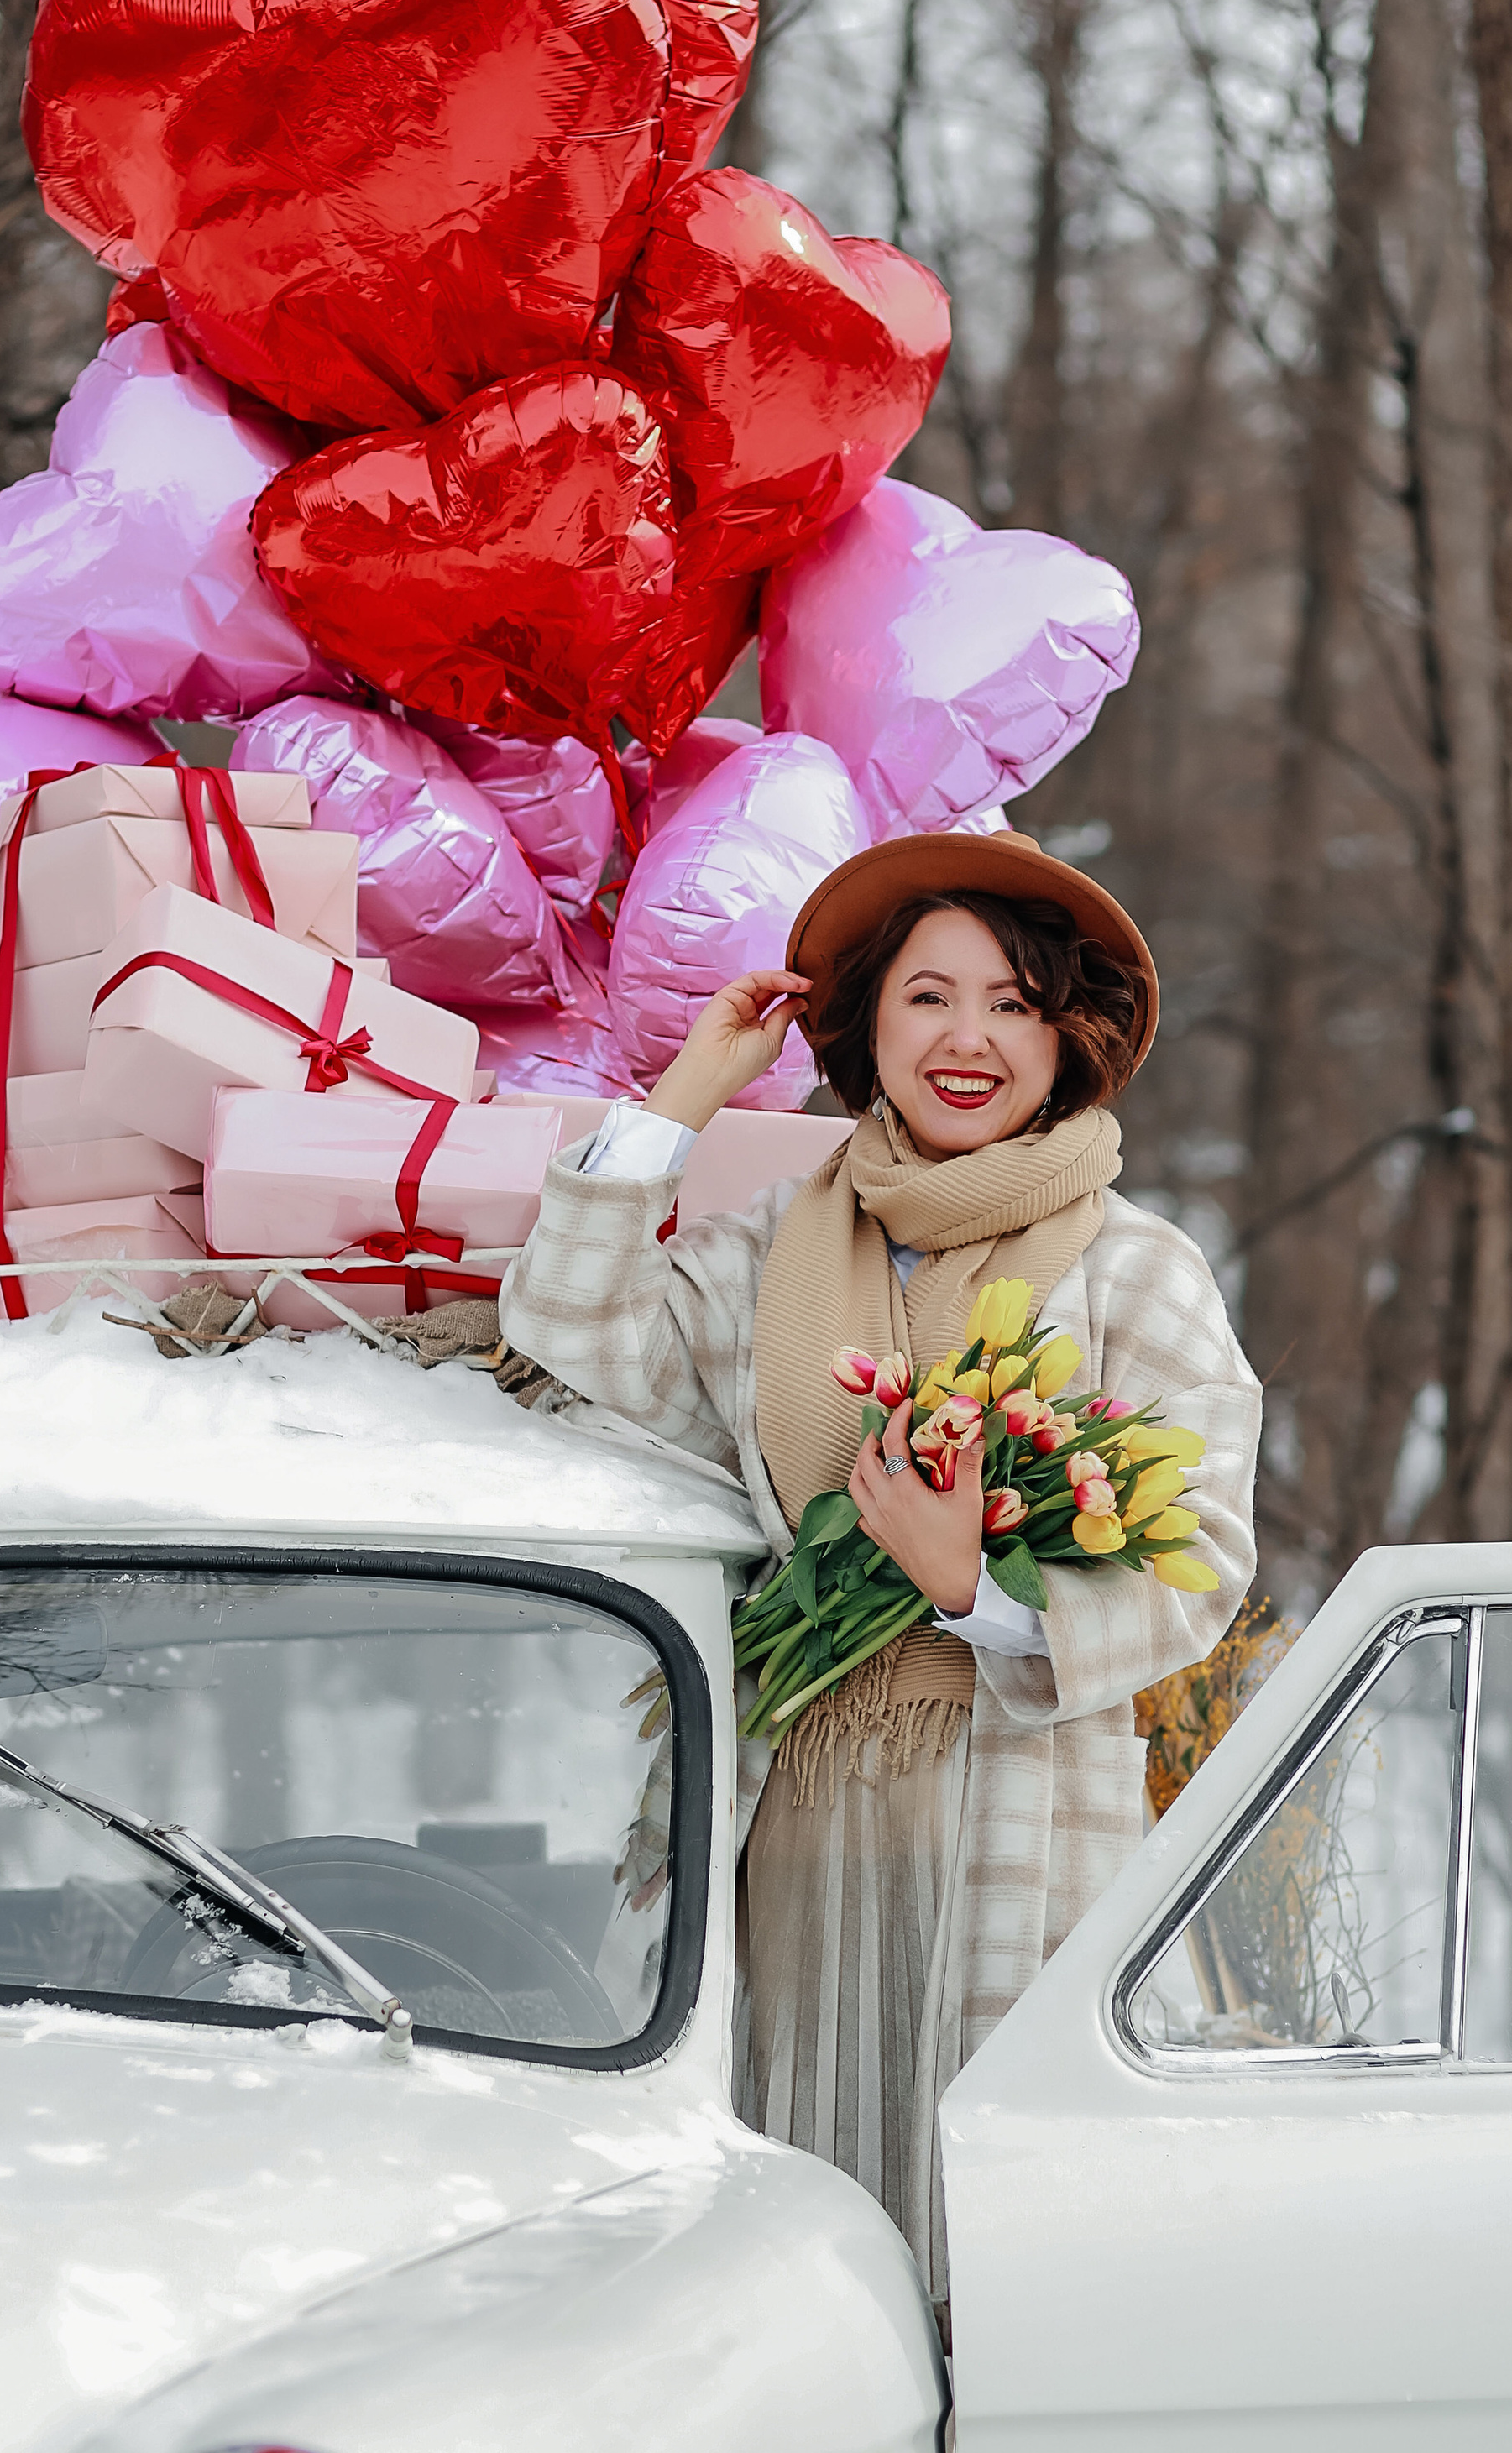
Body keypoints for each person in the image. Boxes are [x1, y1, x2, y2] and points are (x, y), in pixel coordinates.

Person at [500, 832, 1261, 2303]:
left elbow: (1202, 1566)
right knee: (797, 2217)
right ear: (866, 1026)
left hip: (1018, 1803)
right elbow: (573, 1324)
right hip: (800, 1811)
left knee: (997, 2240)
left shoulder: (1133, 1269)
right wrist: (686, 1097)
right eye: (927, 997)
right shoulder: (771, 1252)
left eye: (1015, 1004)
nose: (968, 1039)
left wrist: (970, 1583)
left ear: (1071, 1038)